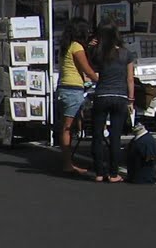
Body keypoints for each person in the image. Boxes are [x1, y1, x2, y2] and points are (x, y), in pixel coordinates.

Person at [91, 24, 134, 183]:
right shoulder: (126, 54)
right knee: (116, 136)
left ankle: (99, 172)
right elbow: (130, 79)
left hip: (101, 94)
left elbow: (90, 68)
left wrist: (91, 46)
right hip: (120, 96)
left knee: (97, 134)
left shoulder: (99, 53)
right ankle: (113, 173)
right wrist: (131, 99)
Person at [56, 19, 97, 177]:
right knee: (67, 128)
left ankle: (69, 162)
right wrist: (101, 81)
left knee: (67, 127)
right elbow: (87, 69)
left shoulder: (66, 47)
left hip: (64, 87)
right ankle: (67, 164)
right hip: (73, 89)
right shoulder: (77, 47)